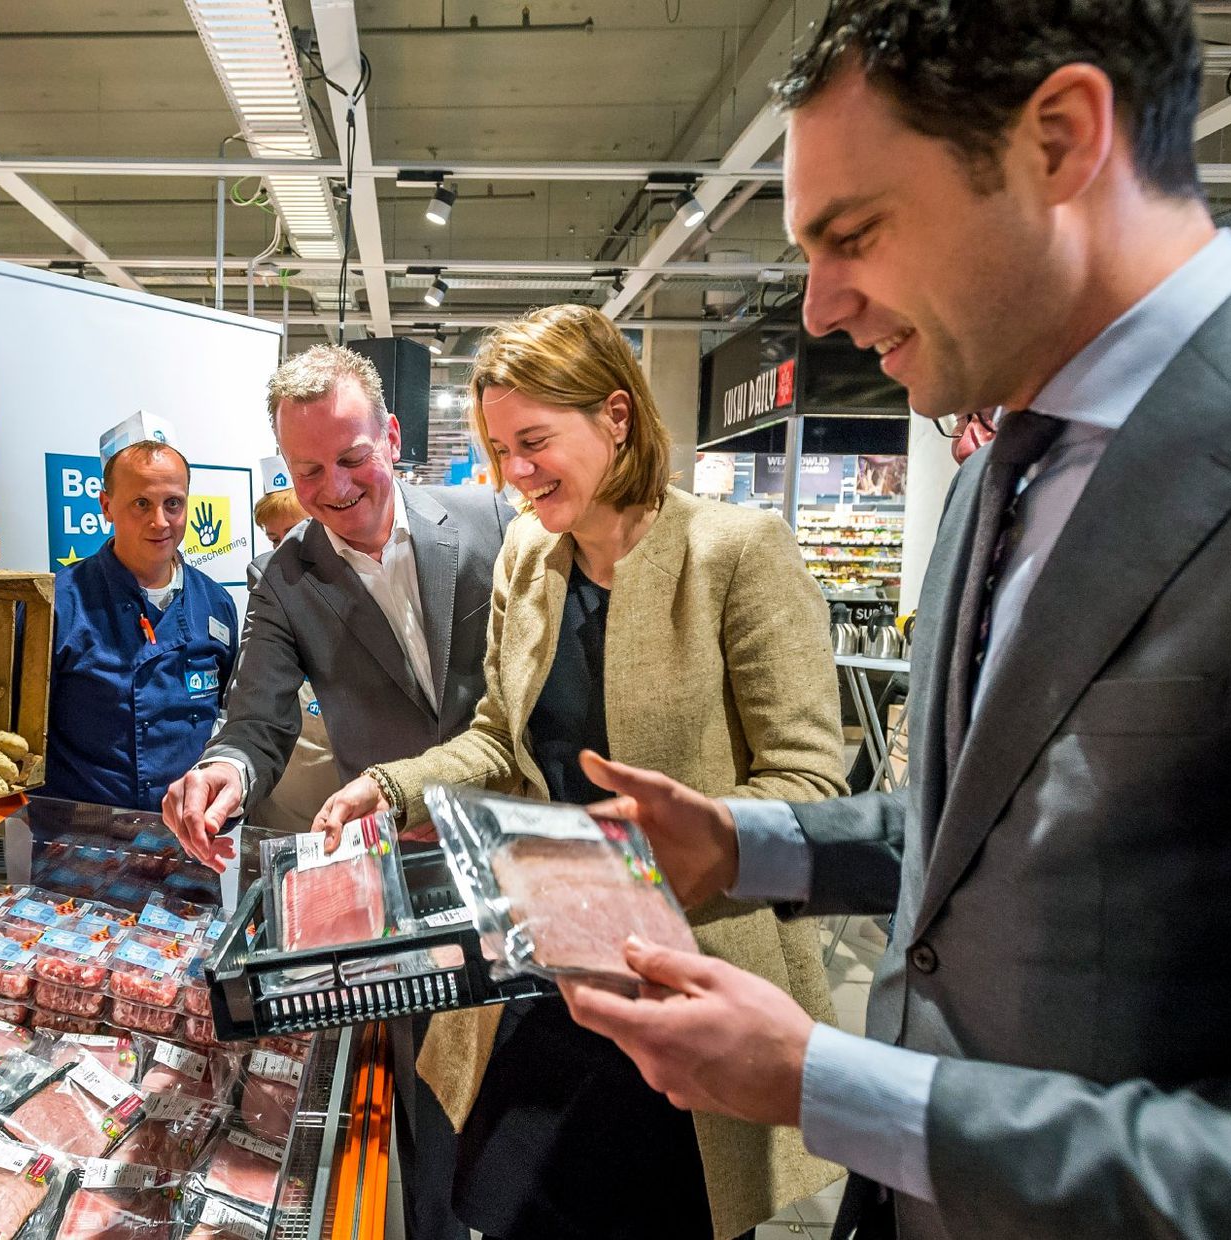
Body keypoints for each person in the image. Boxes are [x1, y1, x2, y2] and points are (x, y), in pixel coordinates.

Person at [559, 4, 1231, 1239]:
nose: (817, 307)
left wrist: (829, 1083)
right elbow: (985, 826)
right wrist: (745, 844)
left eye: (854, 233)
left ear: (1062, 139)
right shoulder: (998, 466)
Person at [310, 304, 848, 1240]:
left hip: (689, 987)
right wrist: (391, 787)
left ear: (616, 416)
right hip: (549, 978)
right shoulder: (530, 554)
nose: (512, 473)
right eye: (497, 448)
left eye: (533, 441)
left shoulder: (736, 554)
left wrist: (655, 854)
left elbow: (809, 788)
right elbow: (497, 739)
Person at [161, 344, 509, 1240]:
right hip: (400, 882)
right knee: (426, 1107)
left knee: (534, 1103)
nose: (335, 485)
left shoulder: (490, 521)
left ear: (392, 437)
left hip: (517, 852)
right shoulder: (287, 578)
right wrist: (221, 772)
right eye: (307, 469)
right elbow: (258, 719)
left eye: (352, 457)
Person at [43, 435, 238, 811]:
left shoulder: (215, 603)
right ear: (106, 506)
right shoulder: (58, 603)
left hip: (190, 835)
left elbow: (232, 709)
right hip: (81, 838)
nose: (160, 521)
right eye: (141, 504)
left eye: (173, 504)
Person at [245, 468, 339, 834]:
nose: (284, 551)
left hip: (343, 821)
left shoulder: (361, 600)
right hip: (275, 822)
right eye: (274, 539)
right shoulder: (262, 606)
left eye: (297, 534)